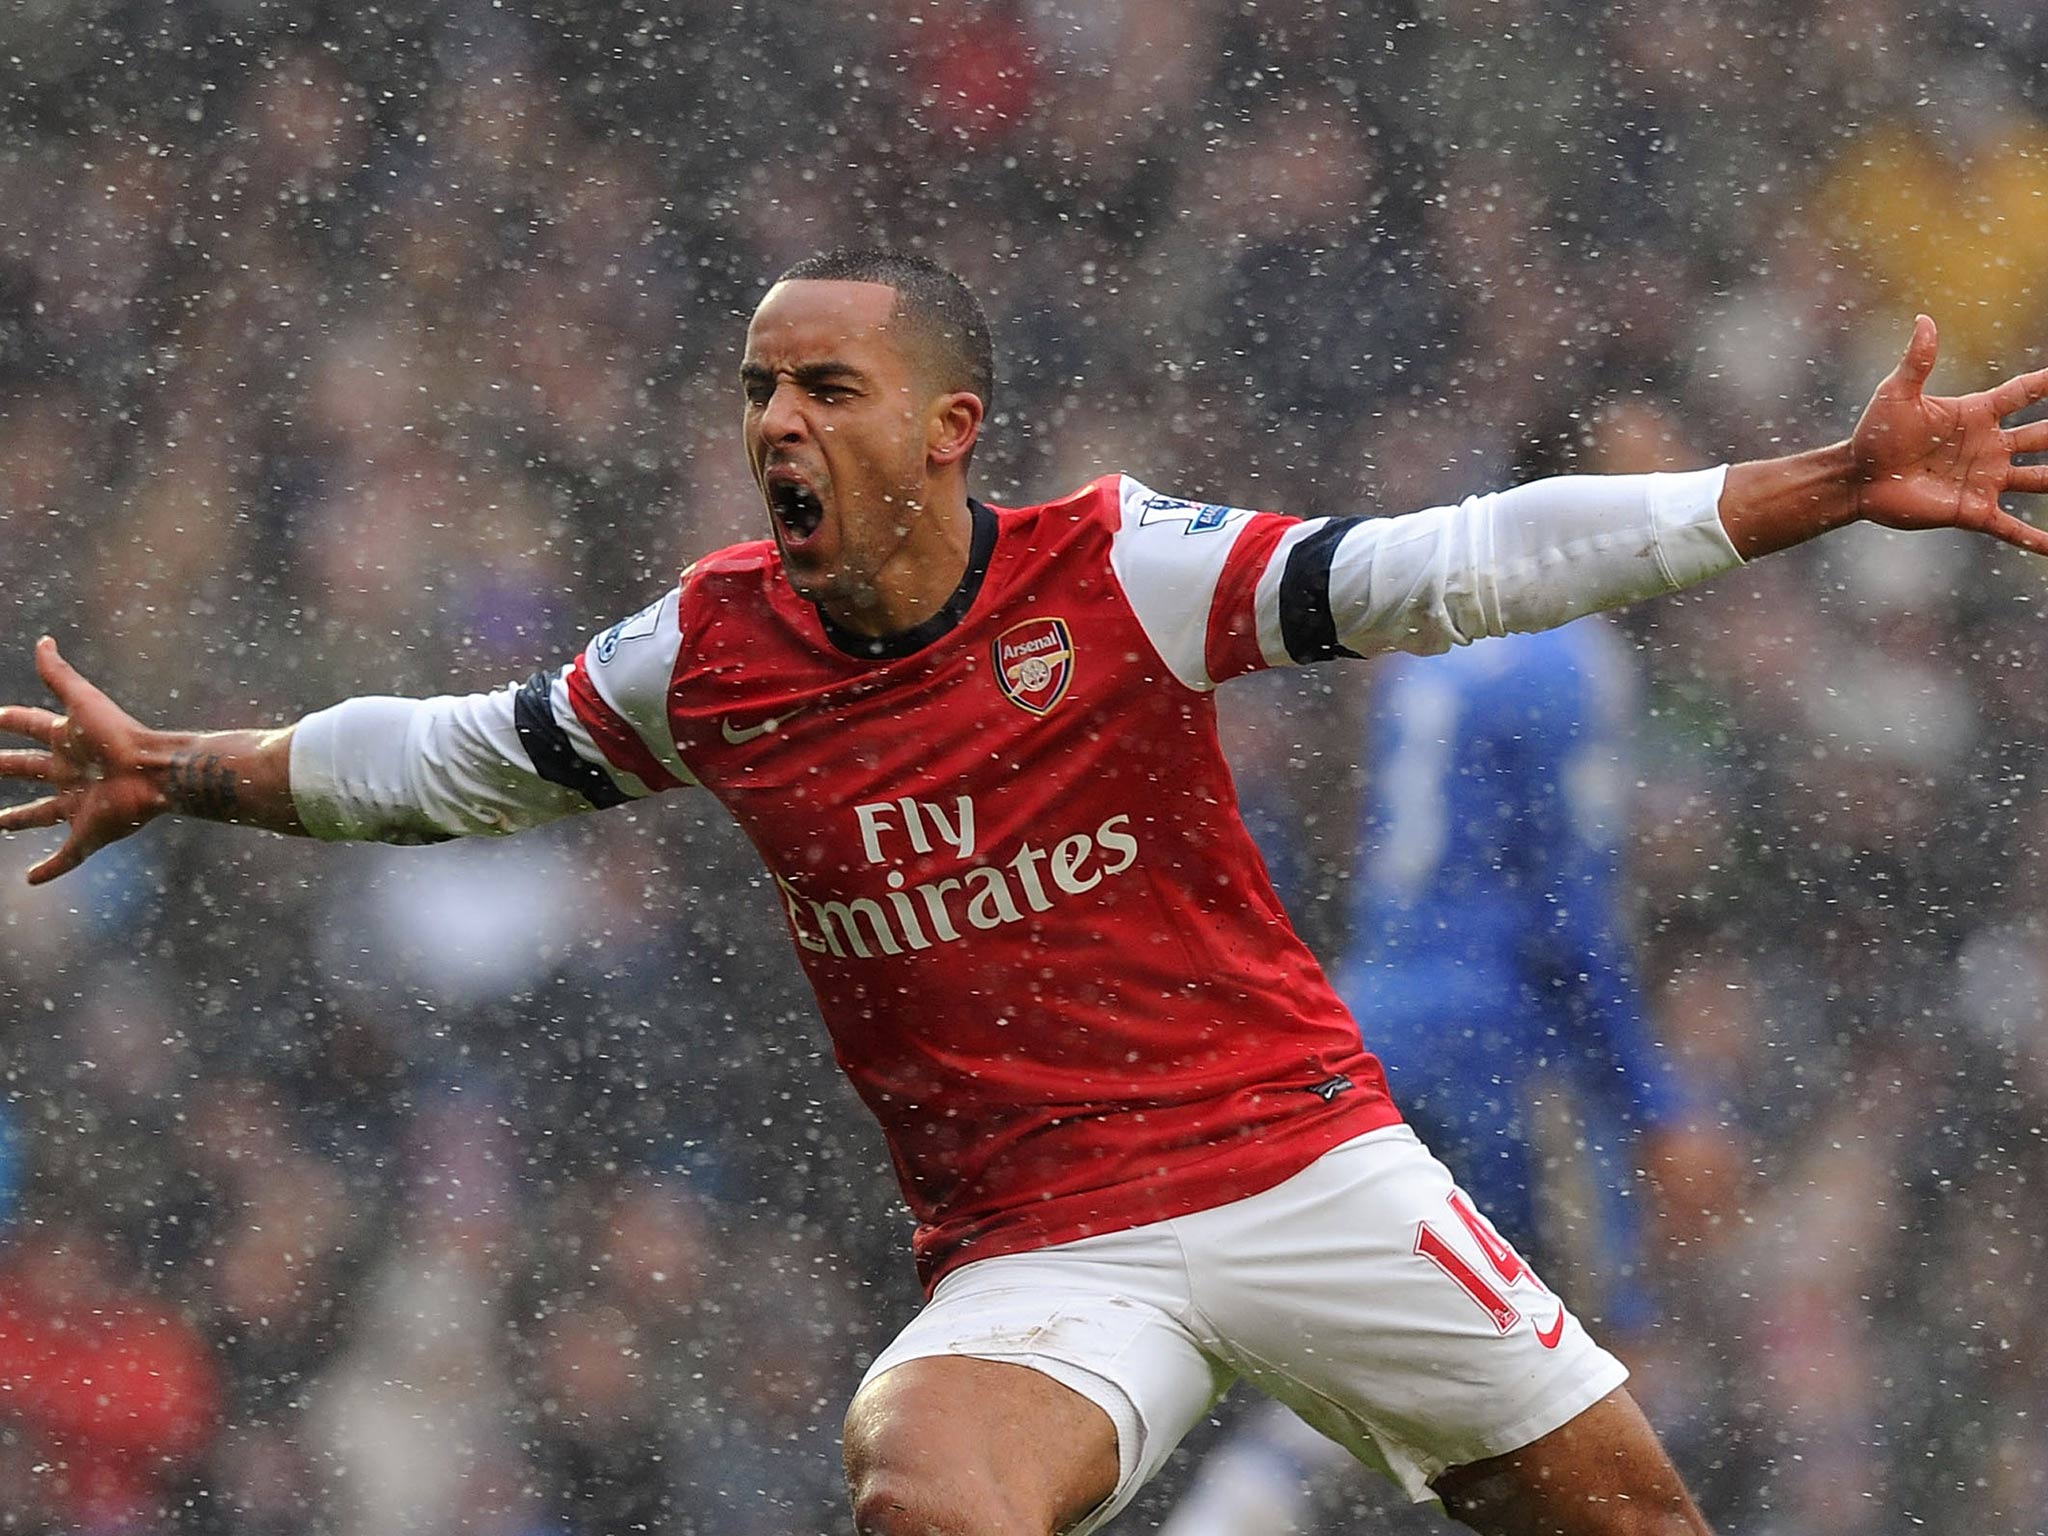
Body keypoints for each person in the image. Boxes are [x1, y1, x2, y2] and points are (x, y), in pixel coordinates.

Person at [3, 248, 2045, 1536]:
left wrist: (1810, 490)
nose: (776, 426)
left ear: (949, 431)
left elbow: (1454, 563)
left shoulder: (1118, 573)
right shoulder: (705, 656)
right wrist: (185, 771)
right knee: (927, 1494)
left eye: (825, 389)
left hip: (1305, 1166)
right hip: (1041, 1247)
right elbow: (450, 763)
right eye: (754, 391)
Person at [1160, 615, 1686, 1536]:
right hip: (1499, 1047)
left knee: (1377, 1343)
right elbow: (1572, 911)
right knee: (1594, 1347)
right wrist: (1656, 1103)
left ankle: (1236, 1507)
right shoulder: (1573, 655)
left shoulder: (1447, 636)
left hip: (1373, 1027)